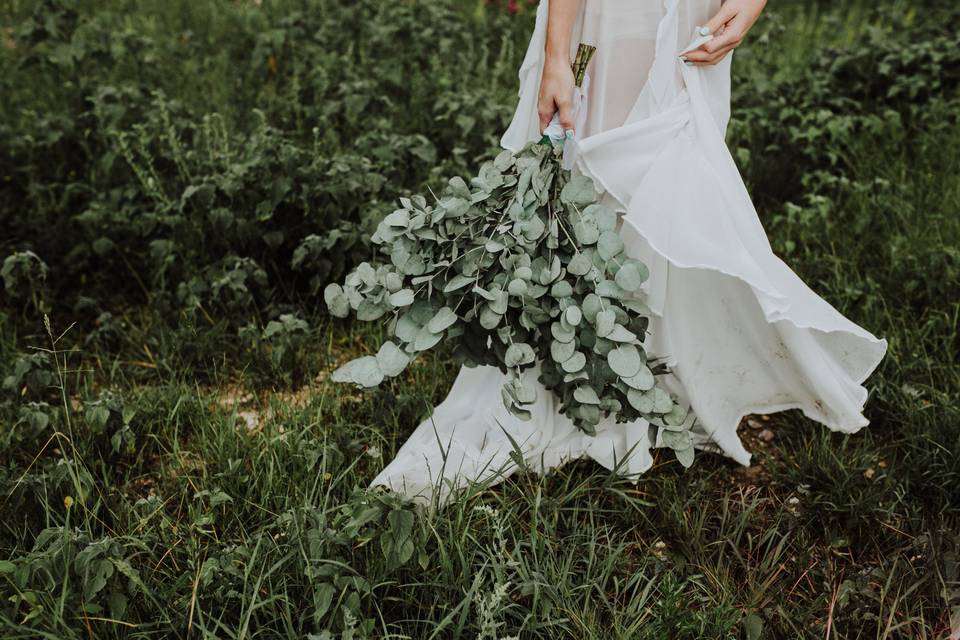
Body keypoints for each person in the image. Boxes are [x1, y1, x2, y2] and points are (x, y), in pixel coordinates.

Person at [370, 0, 888, 505]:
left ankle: (650, 371)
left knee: (669, 191)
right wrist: (556, 57)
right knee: (601, 173)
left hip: (695, 15)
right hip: (620, 15)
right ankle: (582, 378)